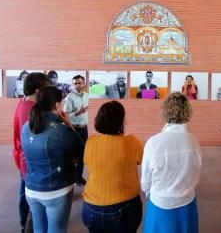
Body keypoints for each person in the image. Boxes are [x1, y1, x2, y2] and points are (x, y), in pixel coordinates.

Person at [21, 86, 83, 233]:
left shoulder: (26, 126)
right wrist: (70, 125)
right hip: (56, 190)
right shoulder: (61, 130)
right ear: (56, 105)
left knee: (39, 229)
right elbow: (81, 152)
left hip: (31, 188)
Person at [141, 92, 202, 233]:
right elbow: (196, 172)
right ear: (187, 111)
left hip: (160, 206)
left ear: (165, 111)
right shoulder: (193, 141)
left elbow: (145, 182)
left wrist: (154, 193)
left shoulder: (153, 142)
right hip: (187, 205)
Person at [81, 101, 144, 233]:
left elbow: (87, 162)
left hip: (91, 209)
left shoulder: (90, 142)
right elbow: (140, 159)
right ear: (121, 121)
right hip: (123, 209)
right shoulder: (132, 142)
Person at [13, 72, 51, 233]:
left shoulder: (23, 103)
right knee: (32, 203)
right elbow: (39, 136)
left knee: (26, 194)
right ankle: (26, 227)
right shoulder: (32, 109)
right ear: (37, 89)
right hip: (31, 162)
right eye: (46, 88)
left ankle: (25, 225)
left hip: (25, 159)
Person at [63, 75, 89, 186]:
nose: (77, 85)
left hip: (84, 128)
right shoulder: (69, 97)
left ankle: (78, 178)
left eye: (79, 83)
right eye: (75, 83)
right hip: (74, 129)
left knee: (83, 154)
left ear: (84, 83)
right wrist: (78, 113)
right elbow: (65, 115)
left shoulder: (87, 96)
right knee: (73, 155)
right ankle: (70, 178)